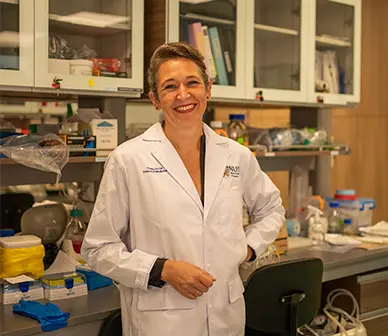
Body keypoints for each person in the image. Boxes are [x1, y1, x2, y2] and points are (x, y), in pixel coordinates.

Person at [81, 42, 285, 336]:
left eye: (192, 83)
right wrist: (162, 269)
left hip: (226, 317)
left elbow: (271, 209)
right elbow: (98, 248)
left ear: (208, 89)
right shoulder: (128, 160)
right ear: (154, 98)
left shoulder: (236, 155)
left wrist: (247, 249)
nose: (183, 95)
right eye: (169, 87)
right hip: (161, 321)